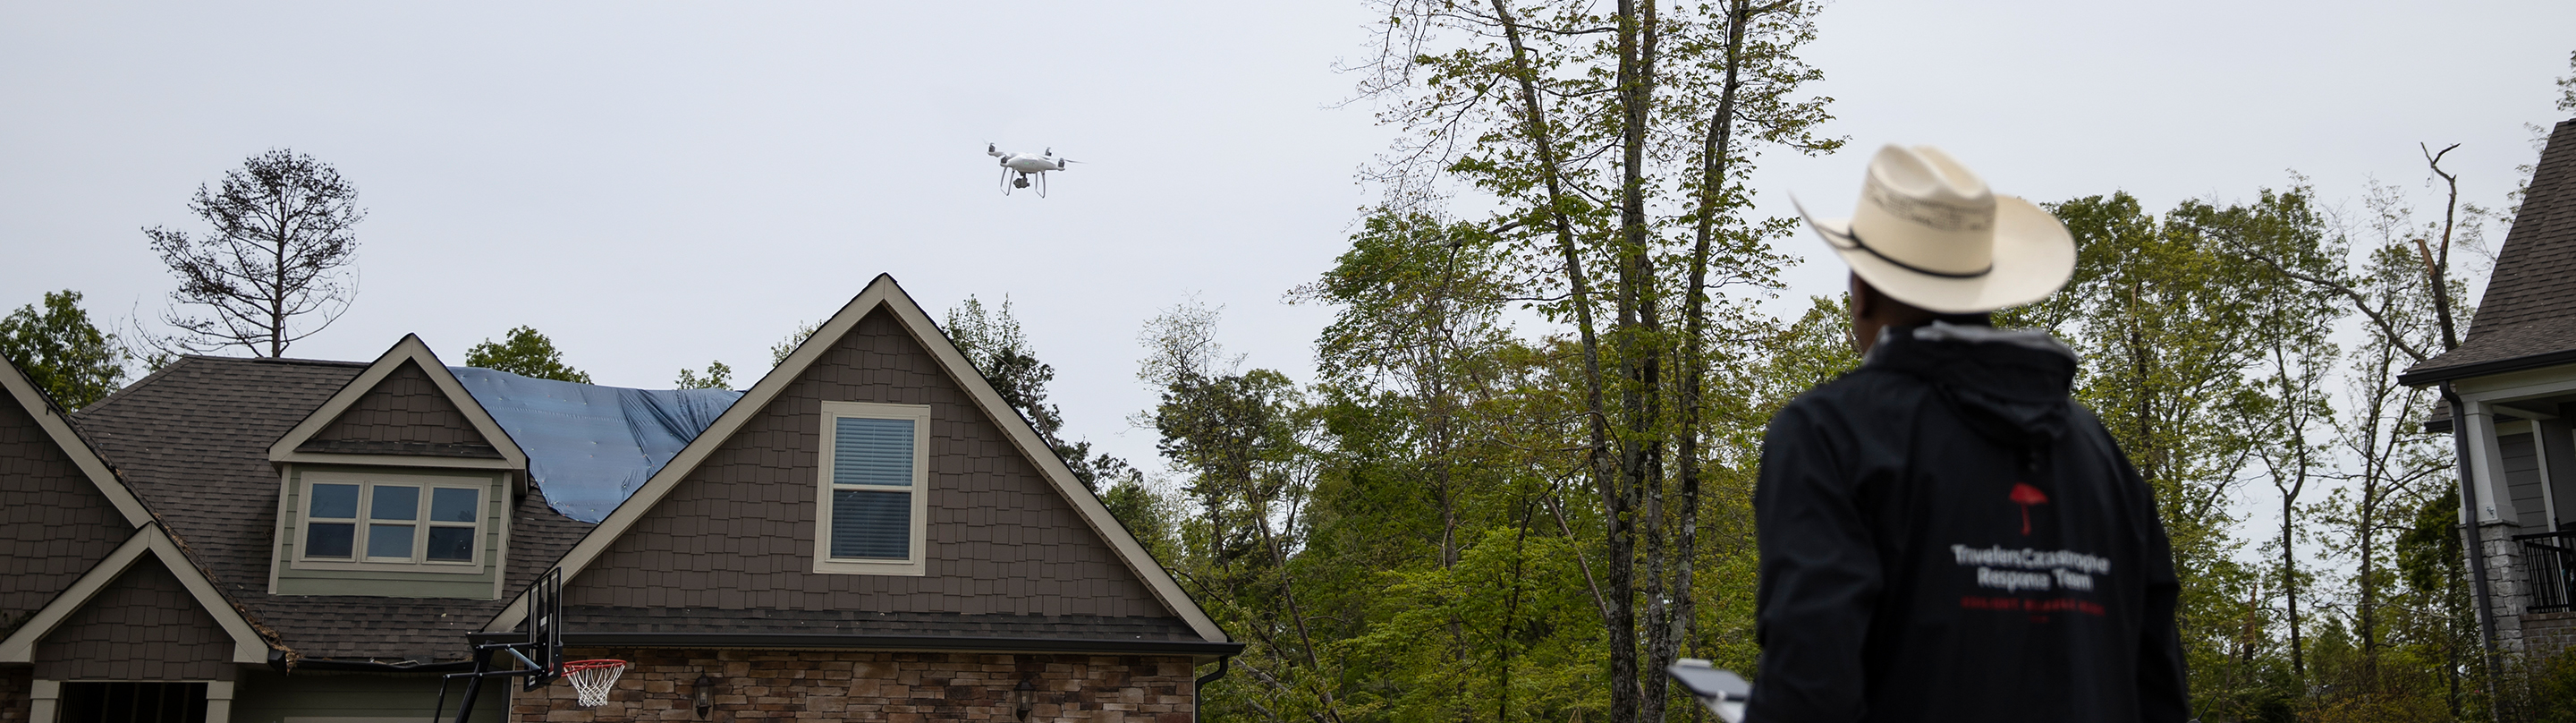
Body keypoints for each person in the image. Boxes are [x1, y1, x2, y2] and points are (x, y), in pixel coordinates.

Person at [1745, 145, 2190, 722]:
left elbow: (1810, 676)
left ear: (1863, 286)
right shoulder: (2097, 450)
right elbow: (2158, 680)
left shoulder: (1830, 432)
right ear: (1985, 290)